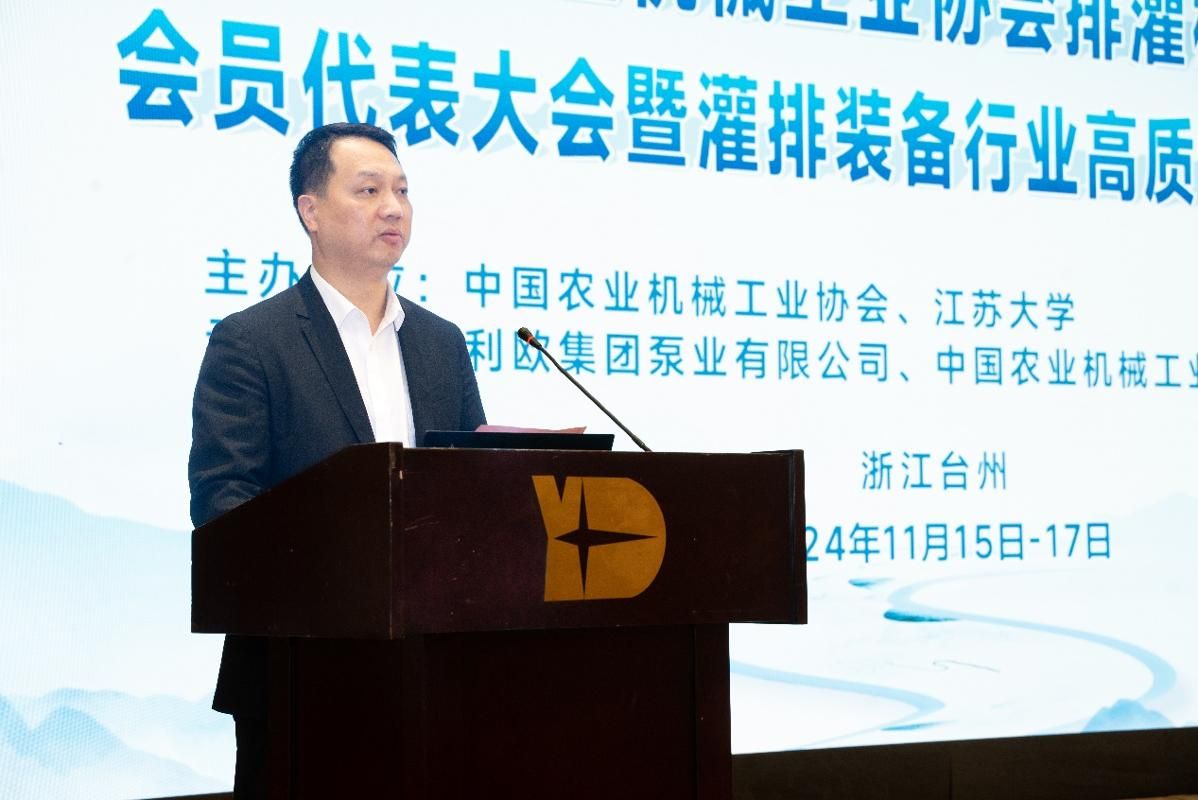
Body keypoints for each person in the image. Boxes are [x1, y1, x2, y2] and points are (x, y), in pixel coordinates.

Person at [188, 122, 486, 797]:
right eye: (369, 190)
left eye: (402, 191)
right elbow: (223, 501)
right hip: (299, 677)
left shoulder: (441, 343)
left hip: (437, 674)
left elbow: (471, 491)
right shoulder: (252, 342)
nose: (394, 208)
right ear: (311, 211)